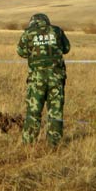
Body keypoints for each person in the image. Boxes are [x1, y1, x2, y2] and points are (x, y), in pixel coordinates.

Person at [17, 13, 70, 146]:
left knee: (34, 111)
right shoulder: (57, 31)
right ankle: (54, 144)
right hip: (56, 78)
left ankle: (28, 143)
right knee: (55, 111)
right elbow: (66, 48)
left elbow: (21, 52)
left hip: (37, 79)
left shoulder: (28, 33)